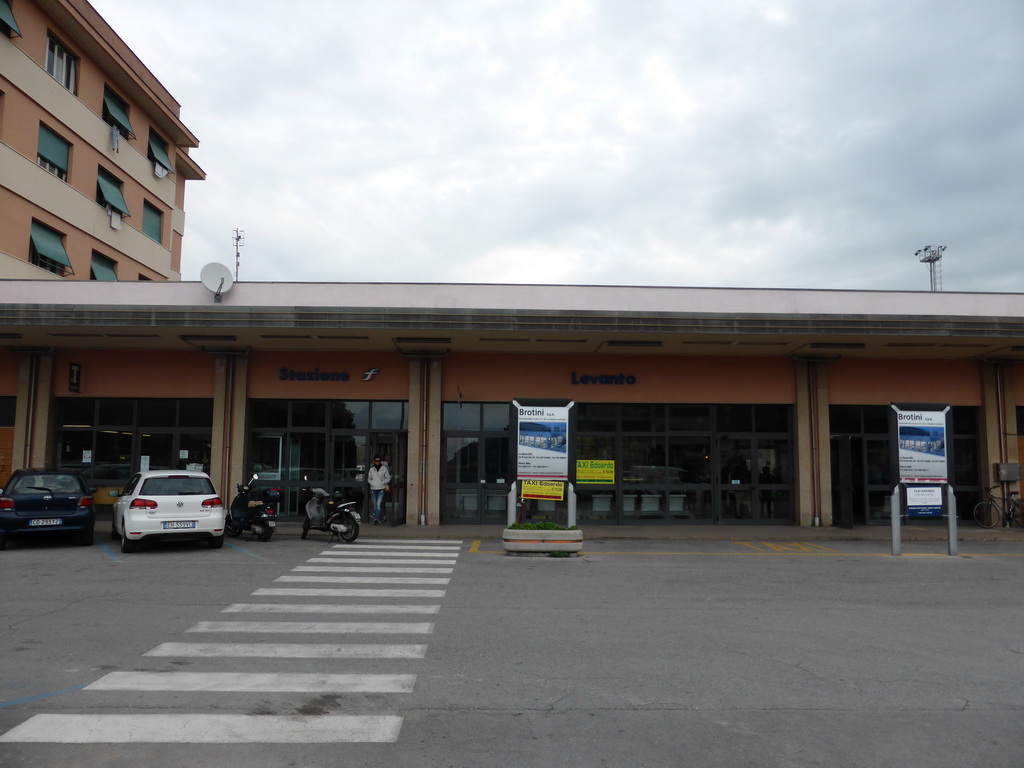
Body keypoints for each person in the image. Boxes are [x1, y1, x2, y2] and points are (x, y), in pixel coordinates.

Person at [367, 455, 391, 525]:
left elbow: (388, 477)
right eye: (376, 461)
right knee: (375, 505)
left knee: (378, 504)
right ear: (374, 461)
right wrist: (372, 483)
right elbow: (369, 478)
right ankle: (378, 517)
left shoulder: (384, 468)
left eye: (379, 461)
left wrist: (383, 482)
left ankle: (376, 518)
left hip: (381, 489)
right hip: (373, 489)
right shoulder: (372, 469)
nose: (378, 462)